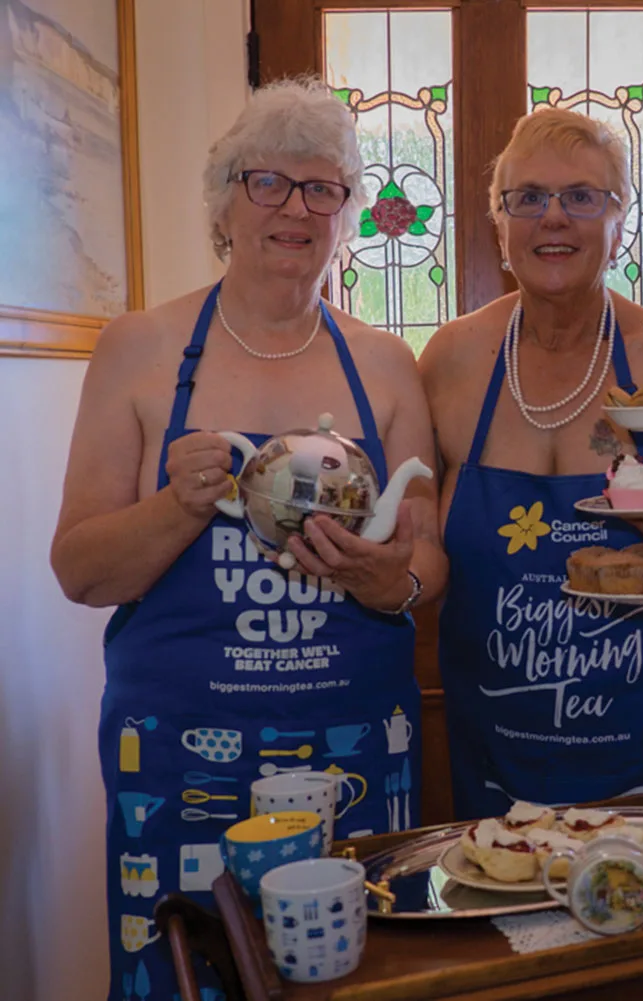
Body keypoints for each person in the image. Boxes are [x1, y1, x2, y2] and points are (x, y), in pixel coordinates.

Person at [50, 80, 445, 1000]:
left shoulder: (383, 361)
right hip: (180, 757)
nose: (295, 208)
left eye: (323, 188)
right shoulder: (140, 349)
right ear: (224, 201)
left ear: (345, 213)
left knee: (366, 976)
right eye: (268, 183)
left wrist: (393, 583)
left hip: (357, 746)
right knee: (186, 974)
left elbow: (428, 561)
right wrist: (177, 507)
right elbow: (78, 567)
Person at [419, 108, 643, 819]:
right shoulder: (451, 362)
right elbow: (415, 539)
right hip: (496, 761)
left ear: (620, 222)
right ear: (500, 223)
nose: (555, 219)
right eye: (529, 198)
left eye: (582, 197)